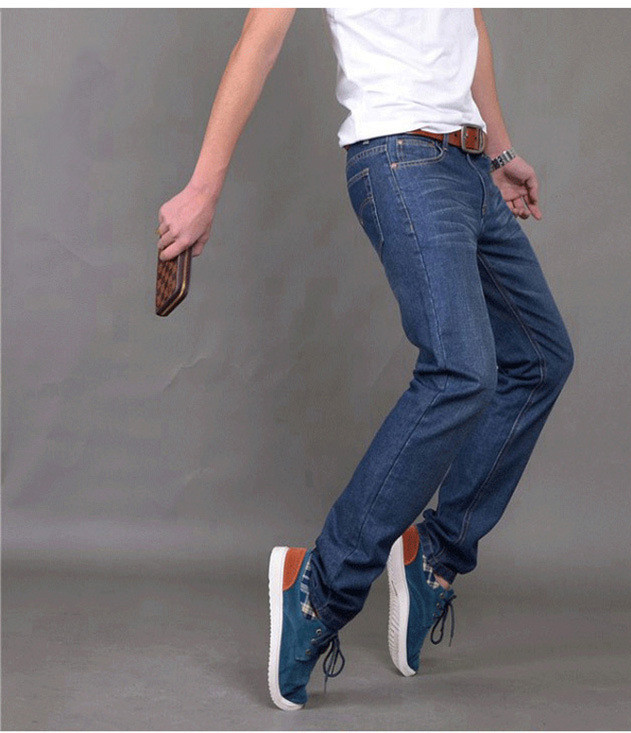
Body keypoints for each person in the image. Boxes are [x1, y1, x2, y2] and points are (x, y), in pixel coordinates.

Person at [156, 8, 574, 711]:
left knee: (539, 358)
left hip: (470, 166)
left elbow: (469, 25)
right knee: (461, 371)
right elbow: (262, 34)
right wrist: (204, 185)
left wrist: (500, 154)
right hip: (402, 159)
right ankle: (318, 589)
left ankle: (435, 556)